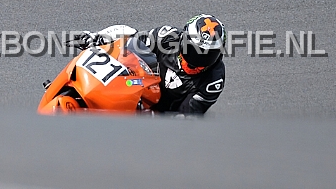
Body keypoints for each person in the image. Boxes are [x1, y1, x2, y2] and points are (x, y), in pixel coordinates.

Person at [76, 14, 226, 115]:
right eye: (195, 50)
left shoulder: (213, 81)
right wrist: (98, 38)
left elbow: (186, 116)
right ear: (183, 40)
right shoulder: (167, 36)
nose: (200, 60)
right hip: (134, 84)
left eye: (209, 54)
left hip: (157, 119)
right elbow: (133, 38)